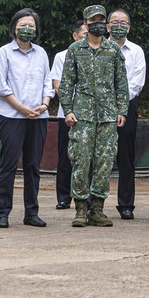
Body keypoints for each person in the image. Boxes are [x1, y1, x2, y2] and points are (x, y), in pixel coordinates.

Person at [58, 5, 128, 227]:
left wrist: (122, 110)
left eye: (101, 20)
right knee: (80, 160)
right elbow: (67, 83)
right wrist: (68, 110)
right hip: (82, 115)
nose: (97, 23)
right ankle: (80, 209)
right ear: (86, 23)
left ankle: (97, 209)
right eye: (93, 20)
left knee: (104, 162)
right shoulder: (75, 49)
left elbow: (121, 83)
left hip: (107, 115)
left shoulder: (113, 50)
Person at [0, 8, 53, 228]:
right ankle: (3, 213)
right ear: (13, 27)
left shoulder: (42, 54)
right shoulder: (4, 53)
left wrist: (44, 105)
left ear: (36, 30)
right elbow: (1, 87)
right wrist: (22, 109)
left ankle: (31, 212)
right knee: (8, 166)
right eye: (22, 25)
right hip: (12, 117)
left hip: (38, 116)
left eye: (31, 26)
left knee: (33, 166)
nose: (26, 29)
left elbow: (48, 82)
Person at [107, 8, 147, 220]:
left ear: (129, 27)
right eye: (114, 22)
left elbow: (137, 83)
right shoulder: (98, 48)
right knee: (97, 156)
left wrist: (120, 105)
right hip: (100, 107)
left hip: (128, 106)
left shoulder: (136, 51)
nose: (119, 25)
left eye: (123, 22)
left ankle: (126, 204)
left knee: (126, 156)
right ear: (107, 26)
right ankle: (90, 203)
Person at [49, 20, 87, 210]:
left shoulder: (99, 55)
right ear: (75, 36)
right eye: (84, 34)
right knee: (65, 157)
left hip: (91, 116)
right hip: (67, 113)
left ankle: (87, 198)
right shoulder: (62, 56)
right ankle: (64, 197)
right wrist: (71, 107)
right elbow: (57, 85)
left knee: (89, 157)